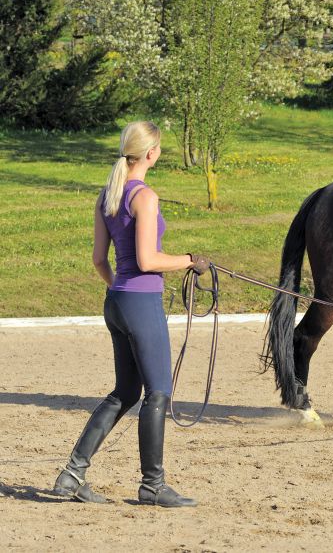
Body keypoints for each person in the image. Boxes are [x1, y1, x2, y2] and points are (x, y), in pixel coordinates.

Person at [53, 121, 210, 507]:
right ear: (152, 153)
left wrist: (117, 290)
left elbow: (98, 260)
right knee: (157, 392)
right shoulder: (145, 196)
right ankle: (152, 485)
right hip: (140, 303)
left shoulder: (107, 194)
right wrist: (189, 260)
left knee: (125, 392)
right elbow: (147, 259)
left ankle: (72, 474)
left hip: (117, 302)